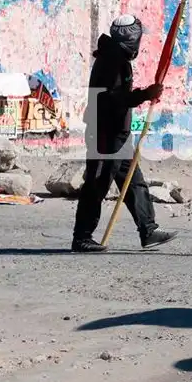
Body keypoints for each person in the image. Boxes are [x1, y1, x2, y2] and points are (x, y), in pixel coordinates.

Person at [72, 15, 178, 253]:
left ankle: (148, 230)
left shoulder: (117, 58)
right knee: (97, 185)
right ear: (131, 39)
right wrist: (144, 95)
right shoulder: (111, 61)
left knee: (134, 182)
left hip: (118, 135)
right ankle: (82, 237)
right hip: (104, 135)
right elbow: (112, 98)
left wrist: (145, 94)